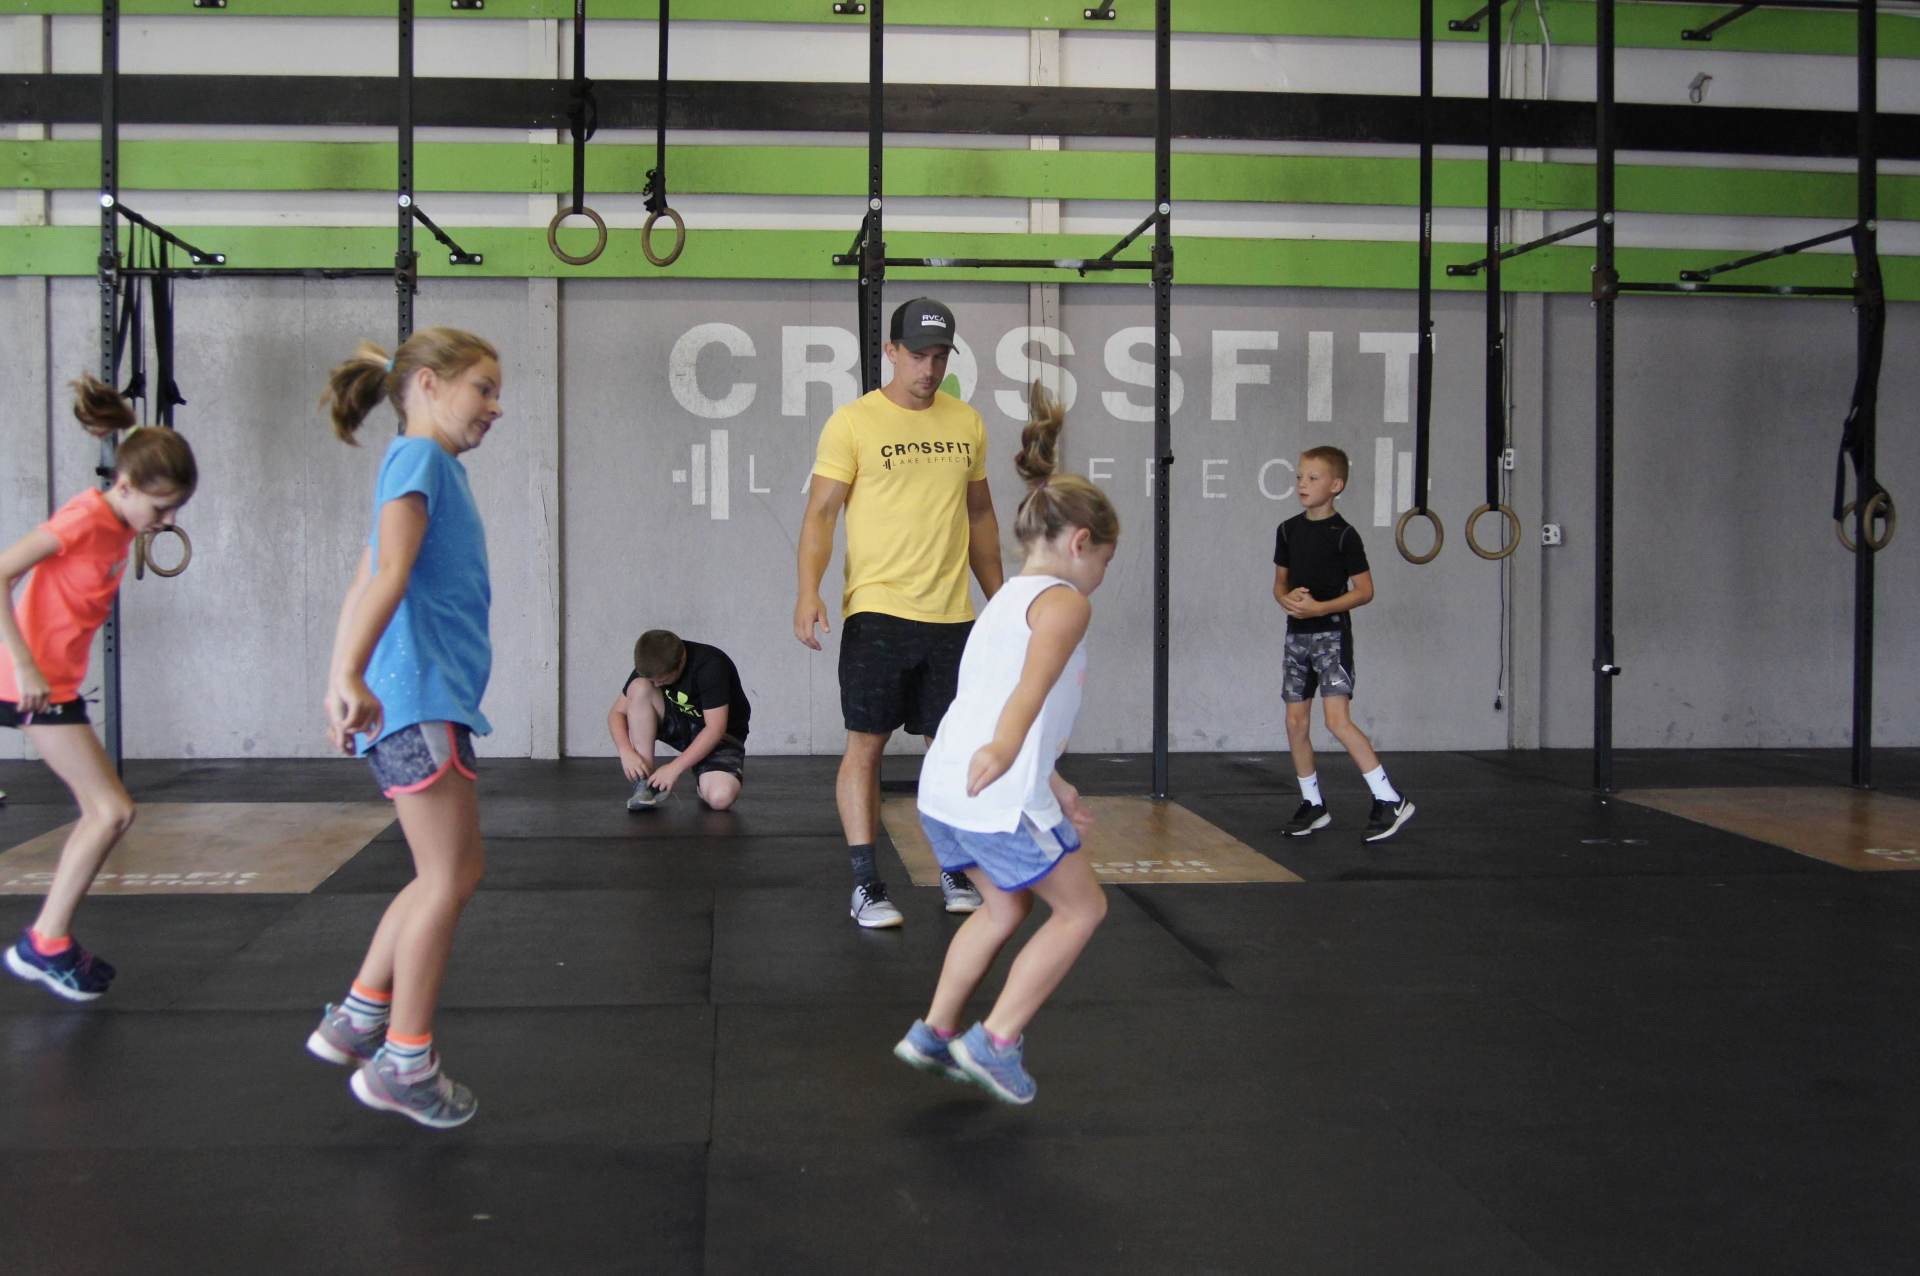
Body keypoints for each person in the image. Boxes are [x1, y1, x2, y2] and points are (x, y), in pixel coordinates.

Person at [891, 383, 1111, 1106]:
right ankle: (996, 1040)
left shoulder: (1006, 601)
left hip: (947, 789)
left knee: (1003, 909)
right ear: (1082, 544)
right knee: (1082, 910)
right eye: (1104, 560)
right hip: (994, 788)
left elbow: (991, 699)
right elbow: (1028, 695)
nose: (1100, 577)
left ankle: (933, 1032)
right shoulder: (1065, 603)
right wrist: (1013, 754)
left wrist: (1054, 783)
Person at [305, 327, 501, 1130]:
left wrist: (340, 675)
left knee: (444, 872)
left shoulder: (422, 465)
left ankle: (358, 1016)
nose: (495, 406)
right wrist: (347, 676)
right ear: (426, 384)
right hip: (419, 694)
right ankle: (404, 1061)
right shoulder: (419, 459)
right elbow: (385, 574)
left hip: (417, 694)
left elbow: (365, 573)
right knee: (448, 879)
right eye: (482, 388)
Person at [794, 298, 1003, 928]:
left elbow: (981, 515)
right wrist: (809, 590)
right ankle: (865, 884)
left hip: (950, 614)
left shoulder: (966, 421)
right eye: (918, 355)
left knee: (948, 751)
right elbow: (822, 514)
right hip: (879, 610)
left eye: (940, 357)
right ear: (891, 352)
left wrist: (1004, 598)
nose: (929, 369)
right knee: (867, 745)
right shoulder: (853, 423)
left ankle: (949, 865)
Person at [0, 376, 197, 1002]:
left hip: (50, 682)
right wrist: (25, 666)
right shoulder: (85, 518)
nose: (164, 522)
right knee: (110, 810)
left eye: (174, 511)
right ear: (125, 486)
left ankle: (48, 940)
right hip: (29, 682)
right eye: (159, 508)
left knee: (110, 810)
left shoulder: (119, 520)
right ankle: (45, 941)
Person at [1273, 446, 1415, 842]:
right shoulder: (1287, 530)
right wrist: (1287, 600)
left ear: (1336, 486)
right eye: (1300, 476)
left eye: (1313, 478)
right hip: (1297, 636)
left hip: (1331, 635)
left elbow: (1365, 591)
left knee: (1337, 720)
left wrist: (1320, 606)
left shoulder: (1345, 536)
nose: (1303, 484)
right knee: (1295, 722)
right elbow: (1279, 584)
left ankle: (1390, 799)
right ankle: (1313, 804)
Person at [609, 628, 749, 811]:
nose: (657, 685)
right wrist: (625, 751)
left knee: (720, 798)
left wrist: (674, 768)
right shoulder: (653, 662)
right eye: (654, 680)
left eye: (663, 680)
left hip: (720, 738)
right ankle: (644, 783)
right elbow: (616, 713)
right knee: (639, 688)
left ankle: (704, 774)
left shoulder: (711, 666)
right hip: (679, 724)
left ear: (681, 661)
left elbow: (715, 729)